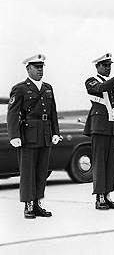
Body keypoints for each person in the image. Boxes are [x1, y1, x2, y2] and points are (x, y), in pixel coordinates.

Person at [7, 54, 61, 219]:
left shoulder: (48, 88)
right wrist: (14, 135)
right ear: (28, 69)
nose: (40, 70)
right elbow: (12, 114)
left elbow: (53, 113)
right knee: (28, 171)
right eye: (36, 67)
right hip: (28, 135)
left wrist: (55, 133)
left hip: (45, 134)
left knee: (42, 171)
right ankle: (28, 205)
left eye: (41, 67)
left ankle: (37, 203)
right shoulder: (20, 88)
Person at [84, 53, 114, 210]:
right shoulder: (91, 81)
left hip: (113, 127)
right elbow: (101, 88)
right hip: (99, 127)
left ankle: (108, 194)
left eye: (109, 65)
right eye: (104, 65)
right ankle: (99, 197)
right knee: (100, 163)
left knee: (111, 163)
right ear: (97, 67)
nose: (108, 68)